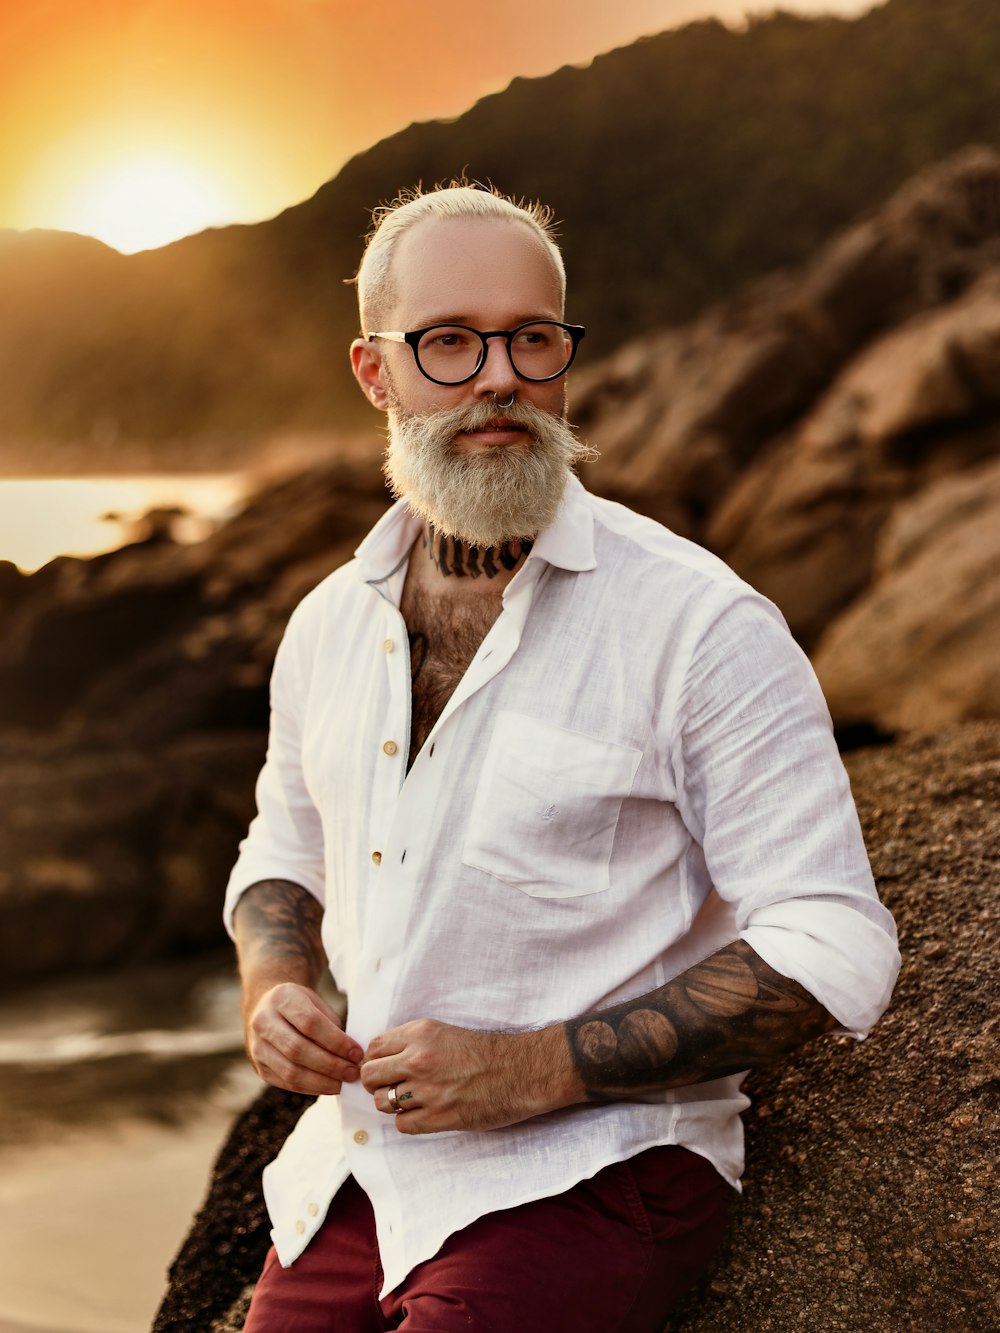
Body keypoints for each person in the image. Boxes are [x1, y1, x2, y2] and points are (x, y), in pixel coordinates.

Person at [225, 184, 900, 1332]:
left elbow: (834, 938)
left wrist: (532, 1068)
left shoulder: (698, 623)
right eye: (448, 341)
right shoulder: (330, 623)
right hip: (364, 1169)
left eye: (532, 337)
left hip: (601, 1169)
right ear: (374, 372)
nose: (499, 376)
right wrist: (273, 984)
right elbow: (284, 843)